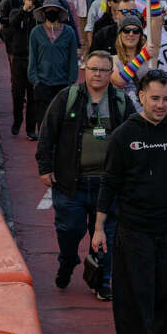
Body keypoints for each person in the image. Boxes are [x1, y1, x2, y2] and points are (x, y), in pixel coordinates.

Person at [91, 71, 167, 334]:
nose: (161, 105)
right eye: (155, 99)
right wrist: (98, 227)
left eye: (166, 98)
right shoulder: (124, 136)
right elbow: (109, 184)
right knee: (135, 295)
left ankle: (164, 329)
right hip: (133, 229)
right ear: (141, 97)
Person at [38, 51, 137, 301]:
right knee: (69, 230)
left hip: (108, 186)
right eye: (93, 69)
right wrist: (45, 167)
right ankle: (67, 262)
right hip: (71, 183)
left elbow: (135, 138)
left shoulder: (121, 102)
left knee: (107, 235)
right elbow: (47, 133)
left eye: (104, 70)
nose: (98, 74)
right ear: (85, 69)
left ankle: (102, 281)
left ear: (110, 73)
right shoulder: (67, 98)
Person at [28, 0, 80, 128]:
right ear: (44, 13)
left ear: (59, 12)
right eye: (48, 10)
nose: (51, 12)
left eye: (54, 10)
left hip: (63, 84)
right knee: (43, 121)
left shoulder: (69, 32)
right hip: (42, 83)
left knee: (62, 121)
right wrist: (35, 81)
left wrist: (71, 81)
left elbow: (73, 59)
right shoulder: (36, 32)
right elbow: (32, 59)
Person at [6, 0, 41, 138]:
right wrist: (23, 10)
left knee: (33, 96)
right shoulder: (16, 12)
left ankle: (30, 128)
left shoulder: (39, 14)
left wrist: (36, 4)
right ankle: (17, 120)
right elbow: (12, 25)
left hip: (35, 60)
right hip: (19, 59)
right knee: (18, 94)